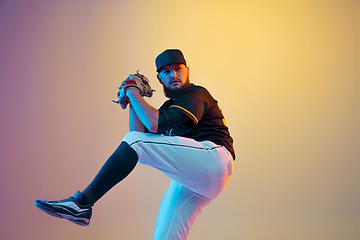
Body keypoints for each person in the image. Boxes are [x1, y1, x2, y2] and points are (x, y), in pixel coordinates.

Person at [35, 49, 235, 240]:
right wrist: (133, 98)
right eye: (167, 71)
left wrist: (132, 92)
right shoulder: (168, 108)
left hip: (215, 159)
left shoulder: (196, 94)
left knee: (135, 142)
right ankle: (81, 207)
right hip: (197, 182)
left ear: (187, 70)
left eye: (178, 69)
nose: (174, 74)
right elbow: (138, 135)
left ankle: (82, 203)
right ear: (159, 79)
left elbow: (151, 127)